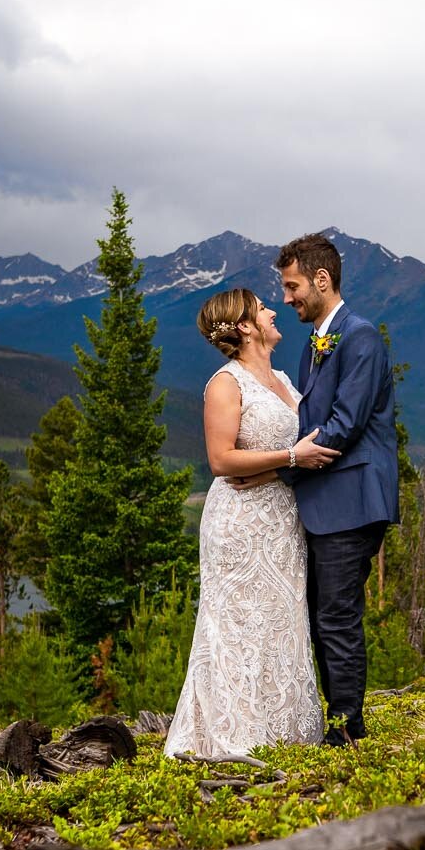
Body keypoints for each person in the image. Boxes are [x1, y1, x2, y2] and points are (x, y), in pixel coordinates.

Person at [162, 287, 340, 759]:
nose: (273, 311)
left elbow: (293, 454)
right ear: (244, 326)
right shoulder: (226, 383)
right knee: (239, 623)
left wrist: (280, 465)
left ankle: (285, 729)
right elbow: (221, 460)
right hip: (239, 525)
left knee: (281, 619)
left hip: (282, 519)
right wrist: (290, 456)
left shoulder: (284, 376)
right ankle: (234, 731)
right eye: (263, 308)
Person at [275, 232, 399, 746]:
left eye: (293, 286)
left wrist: (279, 468)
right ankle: (336, 720)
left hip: (352, 500)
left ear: (321, 280)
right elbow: (310, 415)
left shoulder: (361, 337)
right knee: (322, 615)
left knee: (337, 616)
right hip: (326, 502)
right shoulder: (315, 344)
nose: (287, 299)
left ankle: (348, 728)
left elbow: (344, 425)